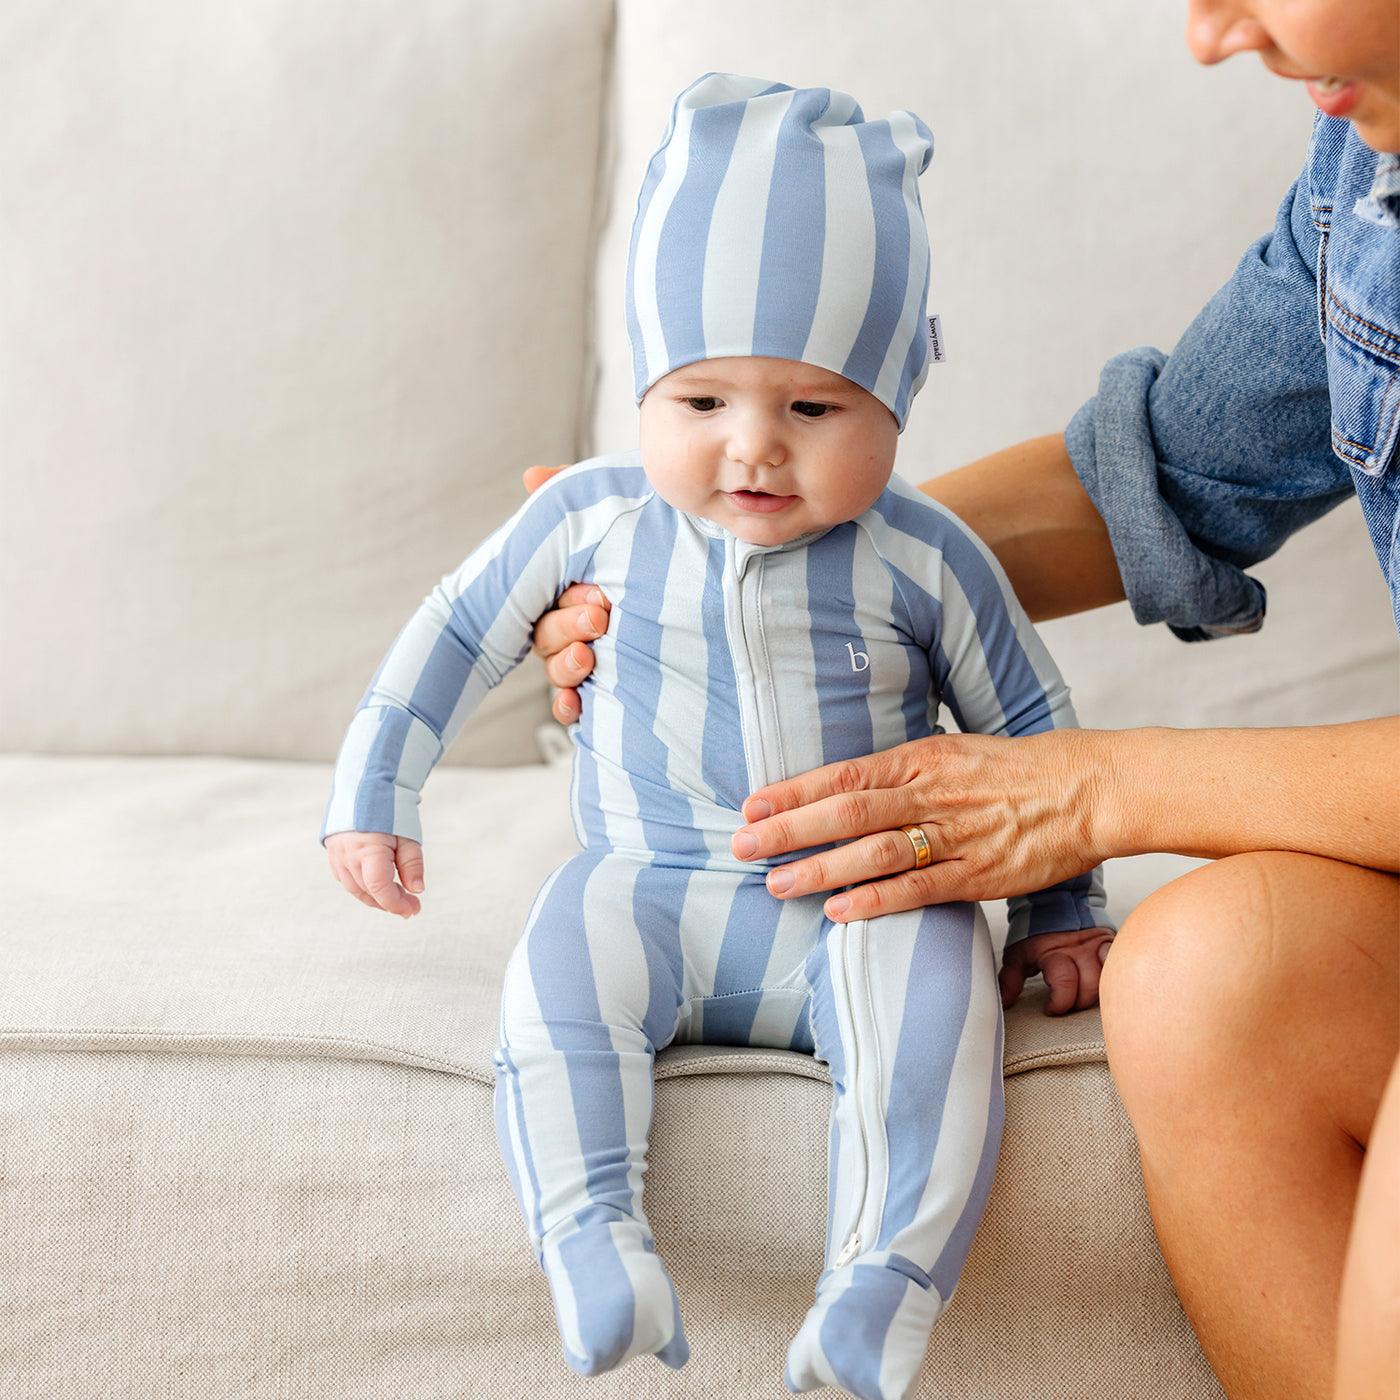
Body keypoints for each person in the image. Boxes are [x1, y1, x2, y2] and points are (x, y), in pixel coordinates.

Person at [527, 4, 1400, 1399]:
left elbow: (1086, 773)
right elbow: (1163, 477)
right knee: (1203, 982)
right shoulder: (1368, 172)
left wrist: (1095, 788)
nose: (1213, 31)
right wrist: (736, 558)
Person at [324, 73, 1111, 1400]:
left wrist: (1059, 909)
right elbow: (454, 632)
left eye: (811, 410)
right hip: (648, 880)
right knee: (557, 982)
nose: (753, 448)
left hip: (869, 887)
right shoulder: (591, 520)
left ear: (899, 398)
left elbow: (1030, 724)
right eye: (700, 405)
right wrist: (374, 790)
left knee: (934, 1016)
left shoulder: (928, 556)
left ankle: (877, 1295)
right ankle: (590, 1243)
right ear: (646, 391)